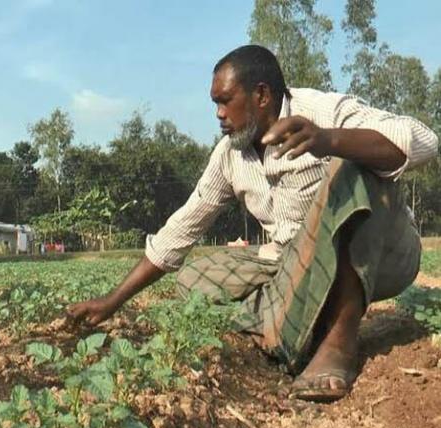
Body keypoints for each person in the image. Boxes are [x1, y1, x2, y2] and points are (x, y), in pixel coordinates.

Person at [67, 45, 438, 402]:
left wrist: (329, 140)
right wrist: (112, 301)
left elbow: (423, 141)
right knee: (193, 280)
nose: (218, 114)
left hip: (381, 254)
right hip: (291, 262)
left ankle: (338, 338)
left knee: (354, 167)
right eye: (215, 103)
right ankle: (298, 317)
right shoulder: (231, 155)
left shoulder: (323, 110)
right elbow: (184, 226)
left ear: (261, 95)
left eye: (225, 100)